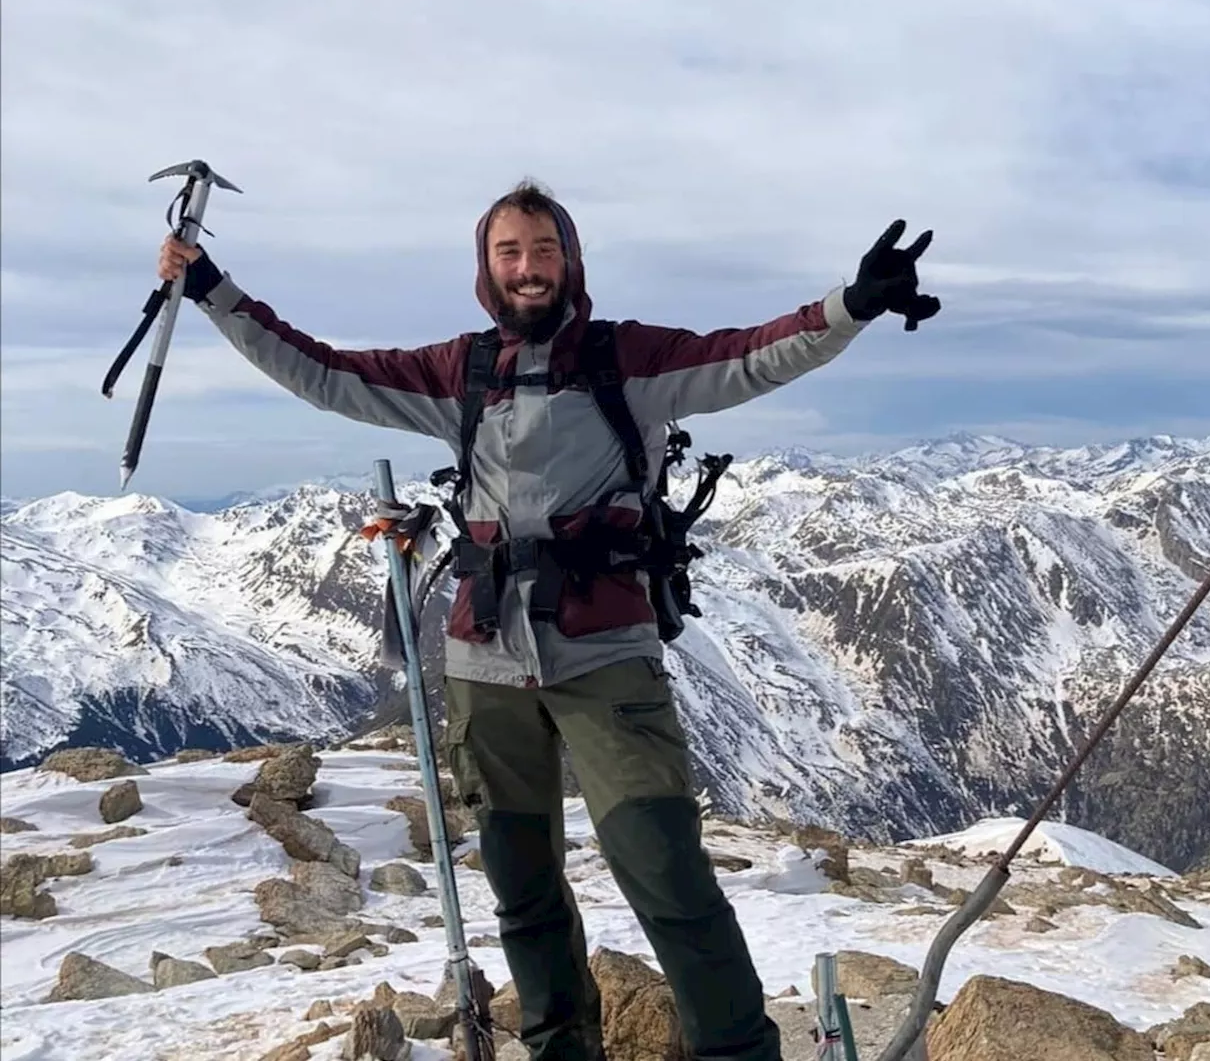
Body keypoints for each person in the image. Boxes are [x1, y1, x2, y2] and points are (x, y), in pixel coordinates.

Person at [158, 180, 939, 1061]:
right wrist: (216, 291)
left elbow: (751, 355)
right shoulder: (459, 371)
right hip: (483, 658)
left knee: (668, 875)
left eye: (542, 250)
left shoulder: (628, 362)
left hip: (605, 652)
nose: (527, 268)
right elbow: (324, 373)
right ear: (487, 270)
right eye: (509, 253)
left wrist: (853, 304)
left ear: (570, 261)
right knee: (522, 887)